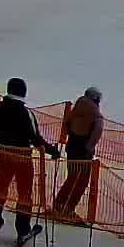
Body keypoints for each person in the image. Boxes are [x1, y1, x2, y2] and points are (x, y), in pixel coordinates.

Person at [0, 77, 60, 246]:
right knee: (25, 193)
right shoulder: (26, 113)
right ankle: (23, 230)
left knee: (0, 188)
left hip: (4, 154)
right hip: (23, 157)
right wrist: (52, 150)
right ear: (23, 92)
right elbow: (35, 138)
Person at [51, 86, 104, 221]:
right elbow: (97, 131)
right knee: (82, 180)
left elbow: (67, 124)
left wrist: (73, 136)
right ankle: (68, 209)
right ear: (96, 98)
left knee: (72, 177)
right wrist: (89, 147)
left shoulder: (77, 106)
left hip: (72, 146)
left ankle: (58, 205)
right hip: (84, 150)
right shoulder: (95, 112)